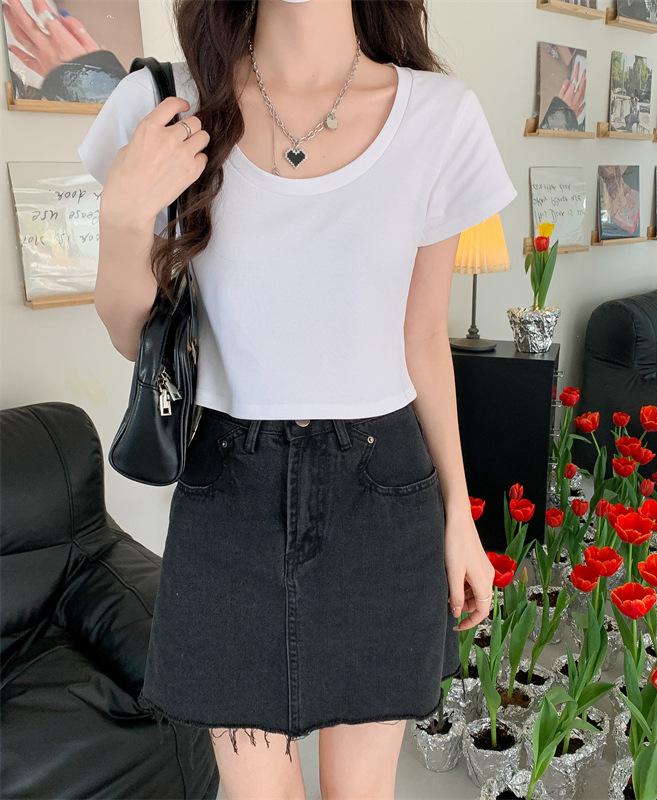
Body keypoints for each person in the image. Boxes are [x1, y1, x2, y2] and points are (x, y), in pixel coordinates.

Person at [76, 0, 516, 797]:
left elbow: (423, 338)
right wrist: (123, 216)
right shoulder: (166, 103)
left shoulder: (438, 115)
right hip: (229, 491)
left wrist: (460, 513)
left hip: (384, 491)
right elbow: (132, 337)